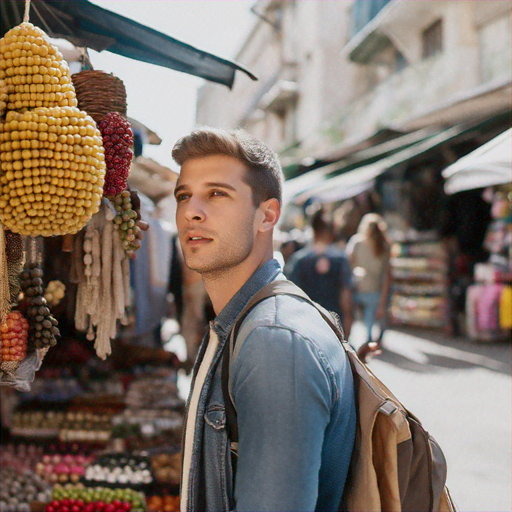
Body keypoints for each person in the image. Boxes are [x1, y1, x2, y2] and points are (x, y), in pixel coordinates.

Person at [172, 127, 356, 512]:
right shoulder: (244, 322)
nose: (191, 211)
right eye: (184, 195)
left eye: (217, 193)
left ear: (267, 216)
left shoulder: (274, 342)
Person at [284, 209, 354, 338]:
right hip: (334, 325)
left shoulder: (299, 259)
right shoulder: (340, 259)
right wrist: (348, 321)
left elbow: (291, 295)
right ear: (332, 231)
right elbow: (346, 295)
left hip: (306, 325)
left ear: (313, 229)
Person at [346, 213, 391, 354]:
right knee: (370, 322)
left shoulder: (356, 242)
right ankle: (369, 343)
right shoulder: (385, 245)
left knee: (353, 318)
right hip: (375, 289)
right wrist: (383, 301)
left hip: (358, 287)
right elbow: (387, 275)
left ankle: (354, 345)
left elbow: (347, 262)